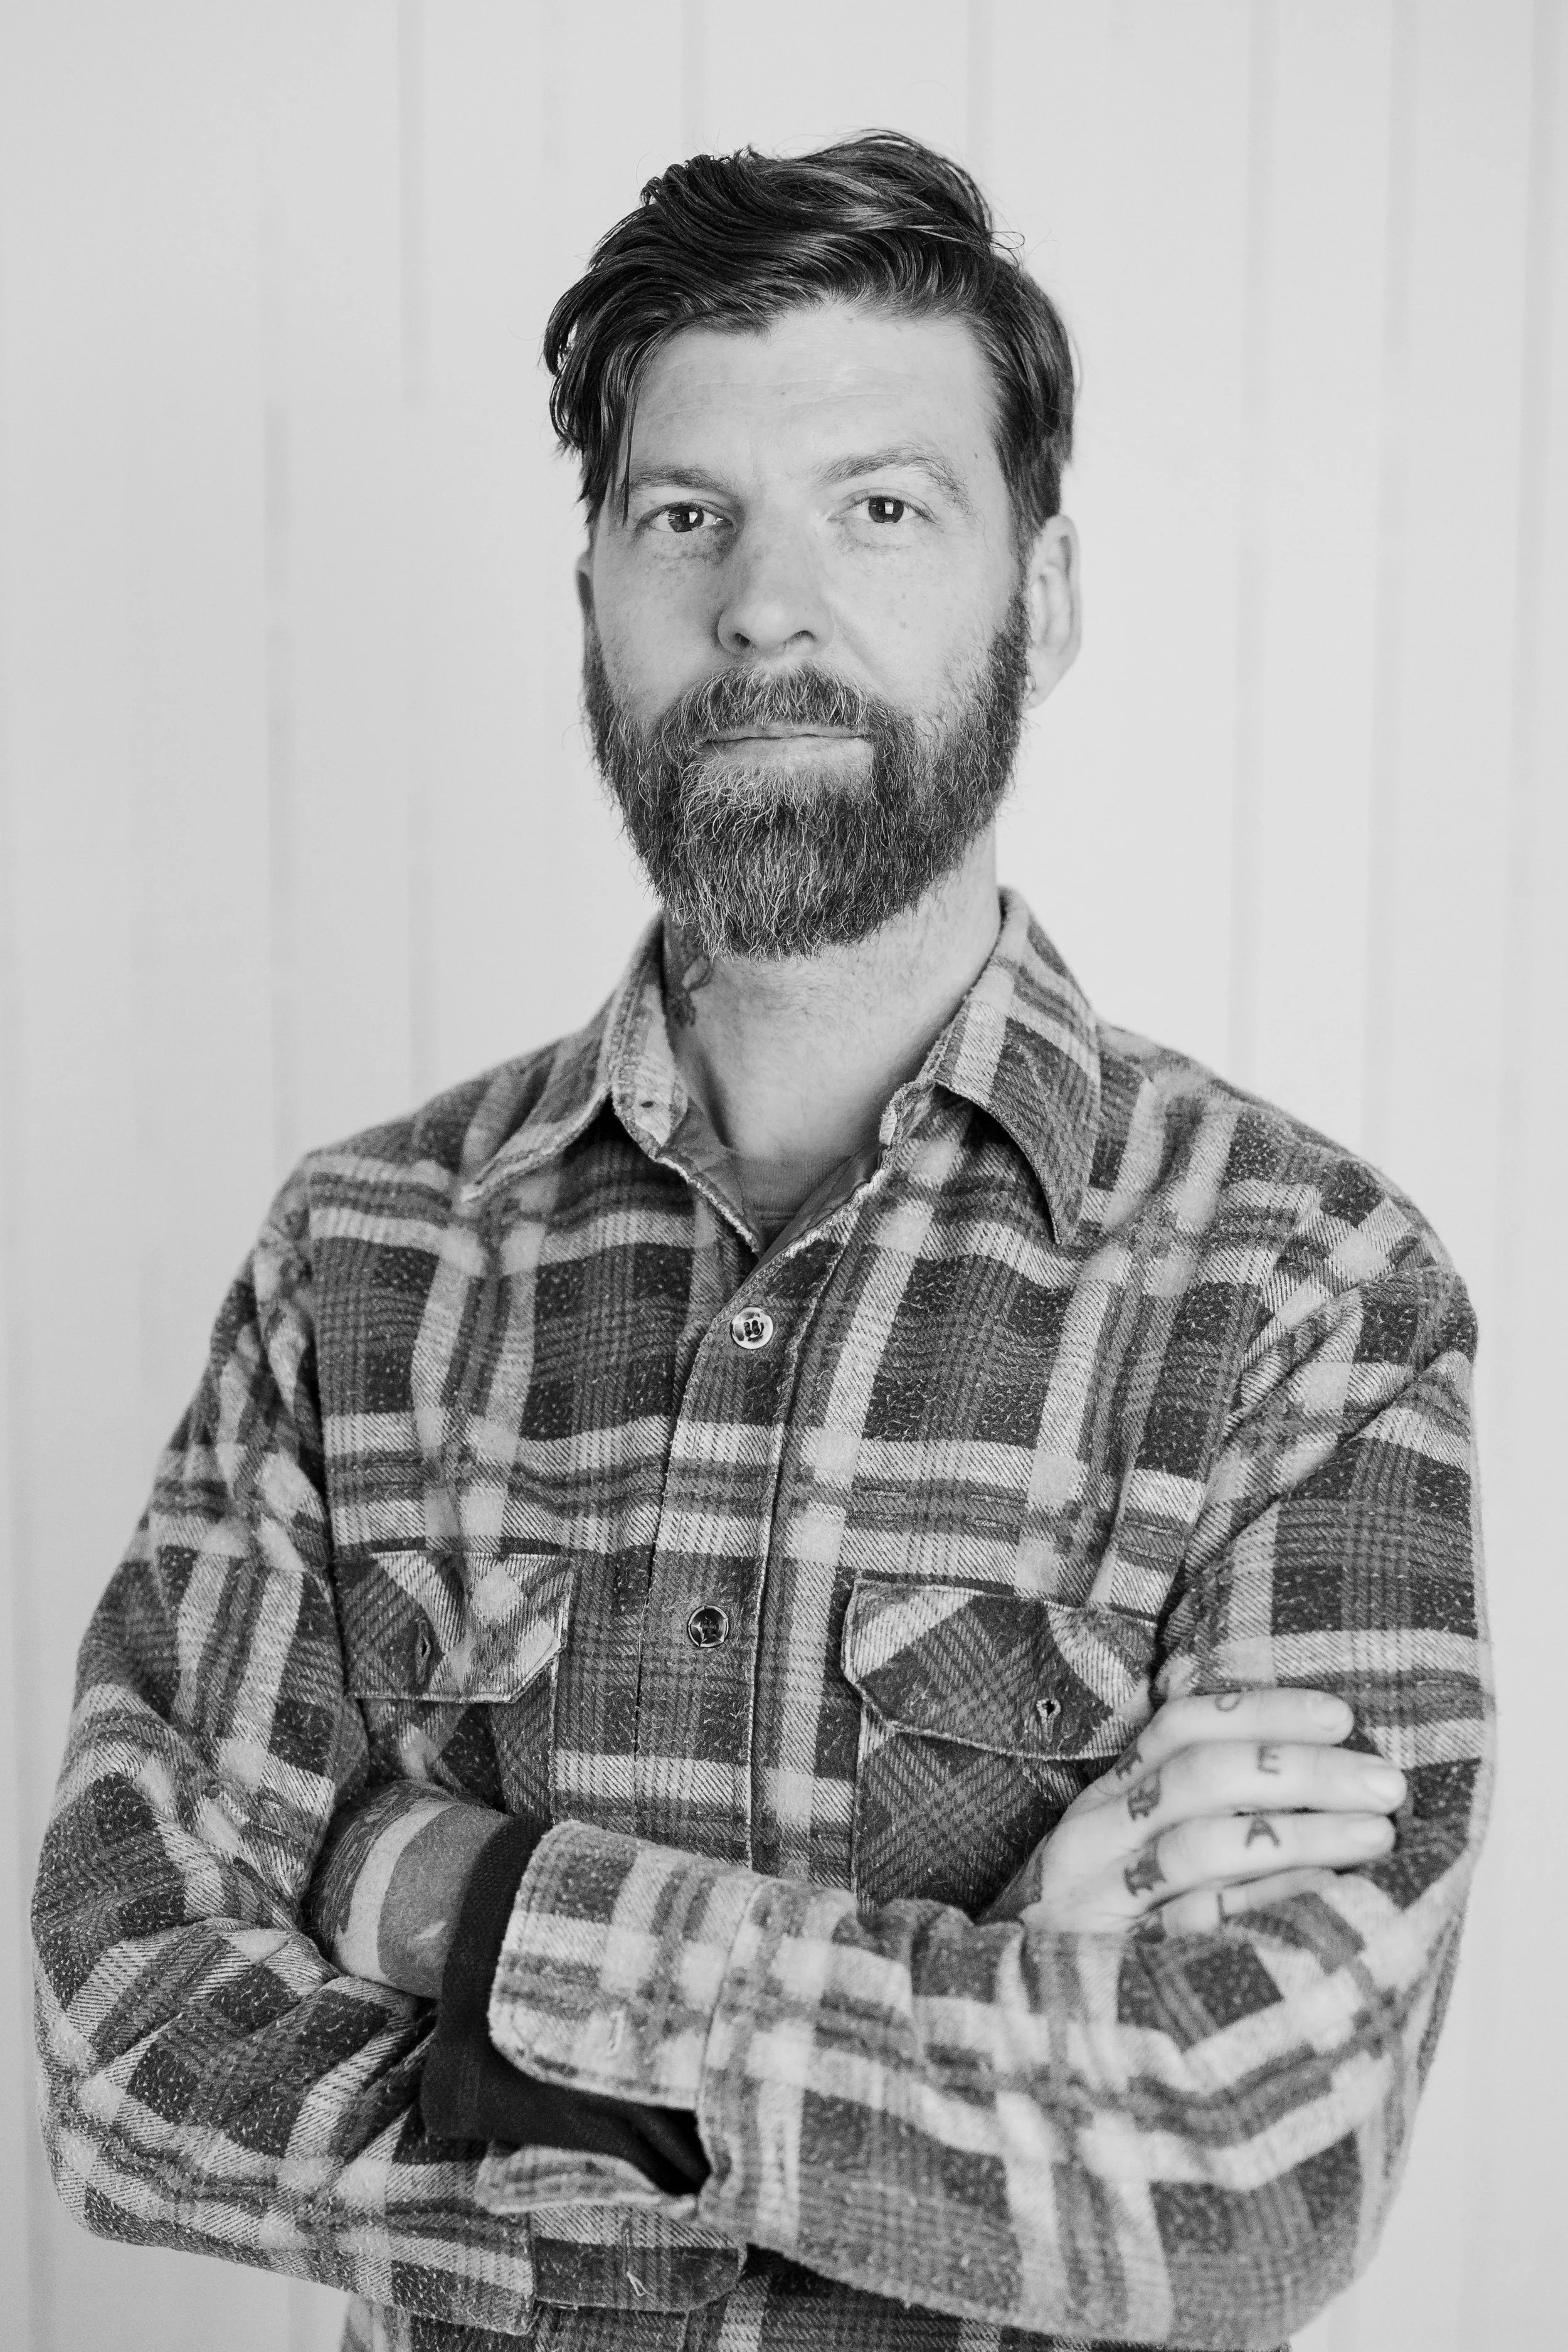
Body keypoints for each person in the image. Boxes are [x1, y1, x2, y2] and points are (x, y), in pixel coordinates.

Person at [31, 133, 1493, 2352]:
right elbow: (127, 2050)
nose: (766, 607)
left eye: (882, 506)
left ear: (1048, 590)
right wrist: (977, 2024)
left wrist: (439, 1894)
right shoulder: (363, 1258)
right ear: (594, 597)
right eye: (682, 515)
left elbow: (1233, 2177)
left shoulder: (1303, 1292)